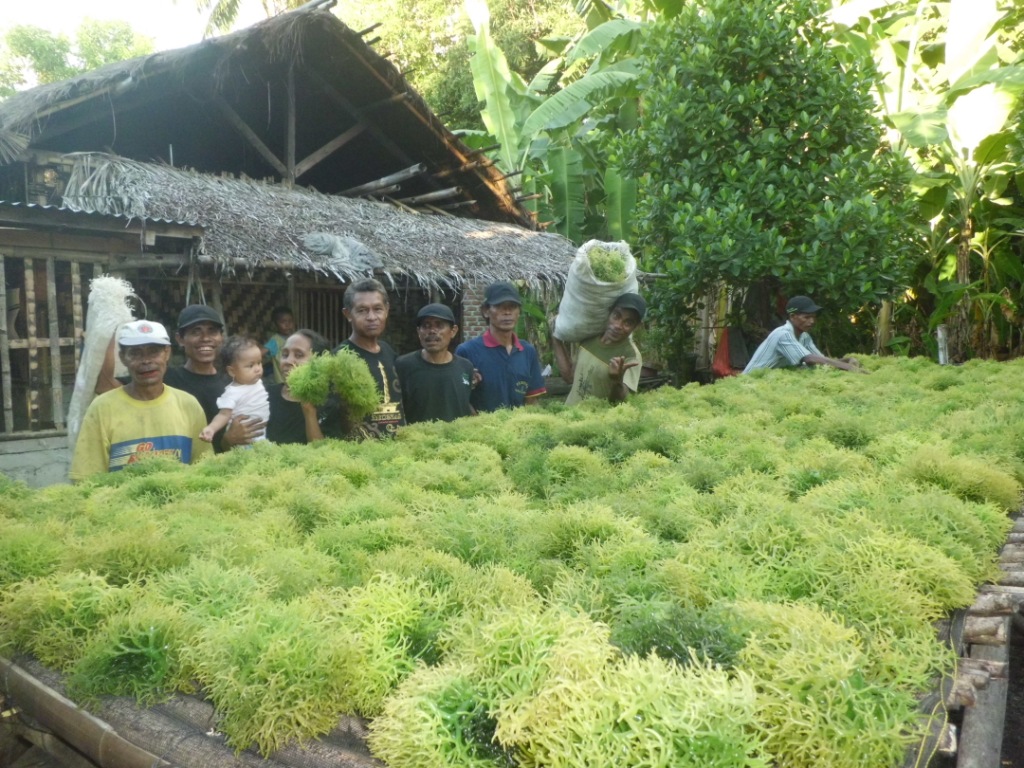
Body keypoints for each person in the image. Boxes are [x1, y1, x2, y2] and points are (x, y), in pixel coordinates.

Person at [70, 320, 211, 480]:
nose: (146, 361)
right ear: (122, 357)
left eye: (153, 352)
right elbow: (86, 479)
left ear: (167, 353)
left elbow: (204, 470)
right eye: (135, 353)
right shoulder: (102, 408)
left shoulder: (188, 405)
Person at [455, 281, 546, 412]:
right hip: (481, 428)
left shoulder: (527, 351)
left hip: (519, 428)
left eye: (512, 307)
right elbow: (460, 398)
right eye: (499, 306)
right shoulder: (467, 351)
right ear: (486, 311)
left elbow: (531, 399)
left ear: (519, 312)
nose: (507, 312)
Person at [334, 278, 405, 439]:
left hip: (399, 454)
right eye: (362, 310)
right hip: (360, 457)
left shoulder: (388, 351)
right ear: (348, 314)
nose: (372, 317)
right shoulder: (340, 358)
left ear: (386, 310)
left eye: (377, 309)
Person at [552, 293, 645, 406]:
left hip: (596, 421)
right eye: (616, 316)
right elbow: (570, 378)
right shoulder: (589, 339)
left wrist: (617, 381)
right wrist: (555, 337)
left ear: (637, 326)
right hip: (568, 417)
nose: (618, 325)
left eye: (628, 323)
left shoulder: (631, 355)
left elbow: (621, 403)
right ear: (609, 313)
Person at [742, 295, 867, 373]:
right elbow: (809, 359)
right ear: (792, 316)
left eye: (813, 317)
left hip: (770, 381)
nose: (812, 321)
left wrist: (847, 361)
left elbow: (821, 361)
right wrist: (849, 368)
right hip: (751, 382)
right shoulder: (782, 334)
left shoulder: (804, 336)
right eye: (806, 317)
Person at [395, 303, 475, 424]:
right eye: (426, 326)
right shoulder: (403, 365)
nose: (432, 331)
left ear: (453, 331)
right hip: (416, 440)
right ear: (418, 332)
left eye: (439, 325)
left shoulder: (465, 367)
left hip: (457, 440)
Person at [266, 329, 344, 444]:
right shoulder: (265, 395)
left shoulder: (329, 404)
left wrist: (309, 411)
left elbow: (323, 454)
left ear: (319, 363)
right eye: (285, 354)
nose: (288, 361)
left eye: (299, 355)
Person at [199, 336, 270, 443]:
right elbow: (223, 414)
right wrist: (211, 428)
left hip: (261, 436)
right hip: (242, 440)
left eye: (259, 363)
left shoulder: (257, 382)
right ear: (232, 371)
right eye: (250, 365)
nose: (257, 369)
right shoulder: (232, 393)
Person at [263, 306, 296, 384]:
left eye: (290, 321)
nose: (287, 325)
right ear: (275, 324)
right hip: (283, 382)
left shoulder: (295, 338)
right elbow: (261, 353)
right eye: (283, 322)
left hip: (297, 379)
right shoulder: (275, 341)